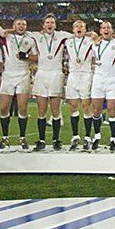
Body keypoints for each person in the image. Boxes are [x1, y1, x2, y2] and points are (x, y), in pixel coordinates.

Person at [0, 5, 38, 151]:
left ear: (26, 27)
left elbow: (36, 58)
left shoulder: (31, 40)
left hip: (23, 75)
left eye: (24, 24)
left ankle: (22, 137)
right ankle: (5, 137)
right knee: (3, 108)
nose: (21, 26)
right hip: (8, 75)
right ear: (13, 25)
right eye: (19, 24)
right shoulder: (7, 36)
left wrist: (26, 56)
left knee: (22, 108)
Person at [27, 14, 73, 151]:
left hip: (56, 74)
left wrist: (93, 35)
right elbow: (20, 31)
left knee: (55, 109)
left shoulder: (63, 35)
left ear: (55, 25)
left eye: (52, 22)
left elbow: (78, 34)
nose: (50, 24)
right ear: (43, 25)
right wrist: (8, 31)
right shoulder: (36, 36)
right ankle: (41, 140)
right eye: (47, 22)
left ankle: (56, 139)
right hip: (41, 74)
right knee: (41, 110)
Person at [90, 21, 115, 152]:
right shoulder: (95, 45)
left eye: (108, 27)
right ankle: (97, 136)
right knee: (96, 110)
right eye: (103, 28)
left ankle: (113, 139)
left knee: (112, 110)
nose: (106, 30)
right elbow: (92, 60)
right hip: (97, 80)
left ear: (112, 30)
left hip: (112, 80)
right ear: (100, 30)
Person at [63, 20, 96, 150]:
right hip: (72, 75)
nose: (79, 28)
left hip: (86, 74)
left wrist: (90, 34)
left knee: (86, 106)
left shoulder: (91, 40)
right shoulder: (68, 41)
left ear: (85, 28)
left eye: (81, 26)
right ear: (72, 29)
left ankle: (88, 137)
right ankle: (75, 136)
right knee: (73, 106)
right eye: (76, 26)